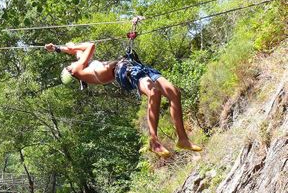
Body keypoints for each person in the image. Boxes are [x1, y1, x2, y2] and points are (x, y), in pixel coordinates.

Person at [45, 41, 202, 158]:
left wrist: (64, 49)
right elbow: (89, 46)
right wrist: (60, 49)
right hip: (124, 70)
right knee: (154, 92)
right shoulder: (78, 70)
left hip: (134, 66)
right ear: (70, 70)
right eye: (71, 63)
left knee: (174, 92)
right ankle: (153, 141)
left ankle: (183, 139)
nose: (73, 60)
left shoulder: (85, 67)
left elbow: (79, 52)